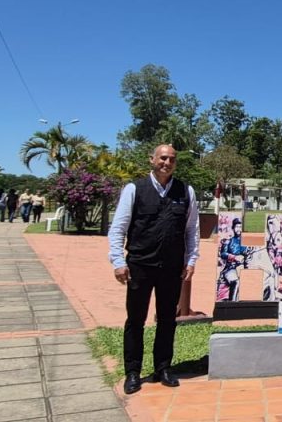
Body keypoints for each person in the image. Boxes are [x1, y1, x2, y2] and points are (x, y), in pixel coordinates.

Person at [107, 144, 199, 395]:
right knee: (135, 320)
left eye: (172, 159)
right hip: (140, 264)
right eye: (163, 158)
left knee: (168, 319)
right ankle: (133, 372)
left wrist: (191, 260)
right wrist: (118, 261)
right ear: (152, 160)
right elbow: (118, 228)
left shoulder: (185, 191)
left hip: (171, 267)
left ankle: (163, 368)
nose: (167, 162)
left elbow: (192, 230)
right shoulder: (134, 189)